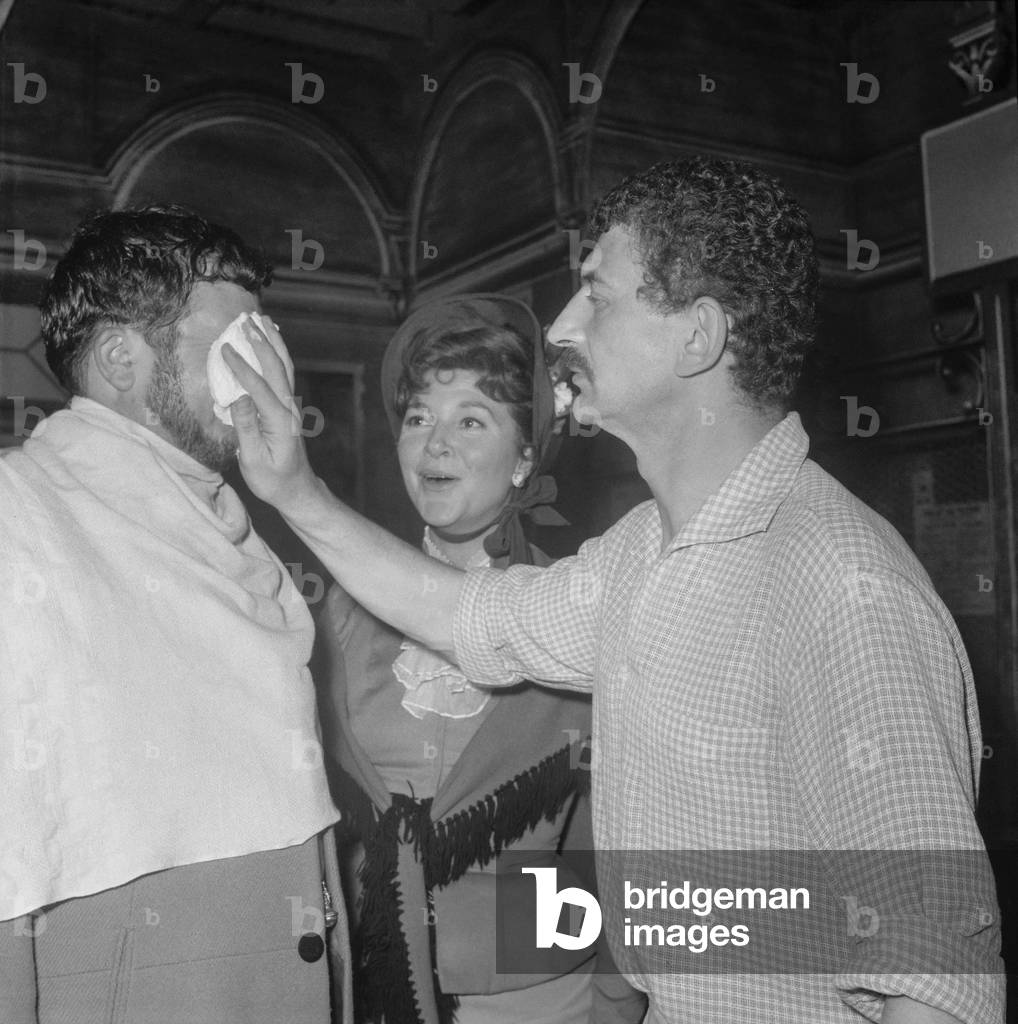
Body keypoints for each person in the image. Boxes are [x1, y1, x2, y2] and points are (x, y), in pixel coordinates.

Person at [222, 158, 1005, 1023]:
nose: (560, 325)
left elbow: (936, 975)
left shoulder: (844, 588)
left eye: (597, 295)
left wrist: (546, 977)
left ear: (696, 336)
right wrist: (294, 491)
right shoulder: (637, 554)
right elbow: (468, 613)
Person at [0, 205, 351, 1024]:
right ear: (123, 358)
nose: (273, 376)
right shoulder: (20, 514)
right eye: (239, 348)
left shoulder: (231, 515)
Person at [314, 294, 643, 1024]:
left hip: (538, 1001)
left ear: (525, 458)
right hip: (367, 994)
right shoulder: (338, 613)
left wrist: (612, 1003)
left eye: (470, 420)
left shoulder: (576, 612)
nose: (435, 445)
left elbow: (612, 850)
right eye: (419, 416)